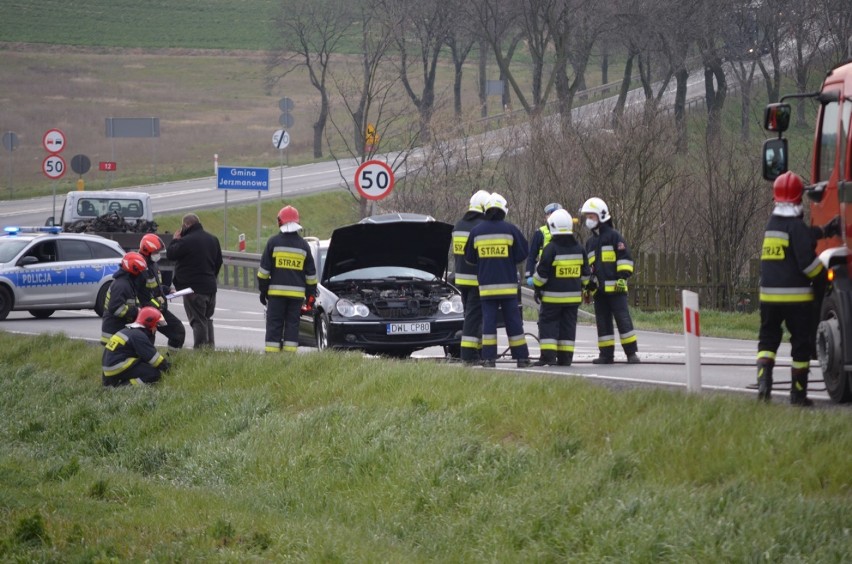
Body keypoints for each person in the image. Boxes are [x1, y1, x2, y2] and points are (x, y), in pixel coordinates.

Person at [756, 171, 836, 405]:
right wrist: (823, 276)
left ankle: (763, 385)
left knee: (767, 341)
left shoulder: (772, 225)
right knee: (800, 344)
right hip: (796, 299)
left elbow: (798, 239)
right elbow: (807, 263)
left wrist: (823, 231)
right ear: (799, 198)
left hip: (768, 298)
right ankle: (798, 394)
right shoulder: (796, 225)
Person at [464, 193, 532, 368]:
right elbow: (523, 254)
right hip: (508, 287)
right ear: (503, 210)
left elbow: (469, 258)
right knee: (513, 322)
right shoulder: (511, 230)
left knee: (488, 324)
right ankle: (522, 358)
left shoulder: (476, 231)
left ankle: (488, 359)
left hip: (486, 288)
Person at [581, 197, 640, 364]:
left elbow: (625, 259)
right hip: (599, 292)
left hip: (616, 290)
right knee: (603, 323)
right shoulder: (590, 243)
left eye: (591, 216)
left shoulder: (615, 237)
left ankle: (631, 354)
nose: (588, 220)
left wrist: (623, 278)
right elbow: (588, 268)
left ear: (601, 216)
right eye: (587, 217)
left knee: (623, 321)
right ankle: (606, 355)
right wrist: (587, 287)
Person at [532, 209, 591, 366]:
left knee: (548, 325)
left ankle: (548, 357)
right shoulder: (579, 249)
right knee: (568, 327)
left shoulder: (550, 248)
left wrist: (536, 286)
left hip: (552, 299)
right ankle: (565, 358)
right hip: (572, 300)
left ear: (553, 227)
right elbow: (586, 277)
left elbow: (541, 276)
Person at [257, 205, 318, 353]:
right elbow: (311, 275)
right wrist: (310, 295)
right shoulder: (304, 246)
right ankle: (289, 357)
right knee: (292, 325)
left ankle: (272, 357)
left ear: (280, 222)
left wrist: (263, 291)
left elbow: (263, 273)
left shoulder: (273, 243)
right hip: (296, 298)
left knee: (274, 325)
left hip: (276, 296)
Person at [166, 213, 223, 349]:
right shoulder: (213, 239)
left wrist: (175, 240)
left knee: (198, 321)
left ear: (186, 225)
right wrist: (211, 277)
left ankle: (201, 351)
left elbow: (171, 254)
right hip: (210, 287)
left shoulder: (186, 241)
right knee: (207, 319)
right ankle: (209, 349)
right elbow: (219, 262)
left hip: (193, 289)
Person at [452, 190, 490, 364]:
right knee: (474, 319)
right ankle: (468, 355)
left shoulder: (459, 224)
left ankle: (479, 350)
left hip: (461, 279)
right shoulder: (482, 227)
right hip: (477, 279)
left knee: (472, 316)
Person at [137, 233, 186, 351]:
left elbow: (154, 287)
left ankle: (173, 359)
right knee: (147, 342)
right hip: (146, 312)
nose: (158, 255)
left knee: (178, 331)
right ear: (147, 251)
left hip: (159, 309)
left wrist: (167, 289)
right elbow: (141, 293)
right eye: (156, 252)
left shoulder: (153, 264)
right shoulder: (140, 267)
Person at [102, 306, 171, 387]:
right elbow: (154, 359)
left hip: (108, 370)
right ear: (149, 322)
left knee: (144, 366)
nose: (156, 328)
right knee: (154, 374)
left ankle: (113, 384)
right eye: (156, 325)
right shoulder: (139, 335)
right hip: (118, 367)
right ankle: (123, 387)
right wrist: (168, 368)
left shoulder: (128, 331)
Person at [101, 251, 148, 344]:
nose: (142, 275)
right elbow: (116, 308)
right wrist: (137, 311)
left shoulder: (129, 283)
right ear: (134, 271)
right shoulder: (122, 285)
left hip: (119, 332)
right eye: (140, 271)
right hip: (114, 334)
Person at [524, 203, 563, 286]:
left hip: (561, 273)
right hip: (544, 274)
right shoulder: (540, 233)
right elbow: (532, 255)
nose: (552, 217)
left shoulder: (566, 232)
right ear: (545, 218)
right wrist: (529, 275)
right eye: (549, 214)